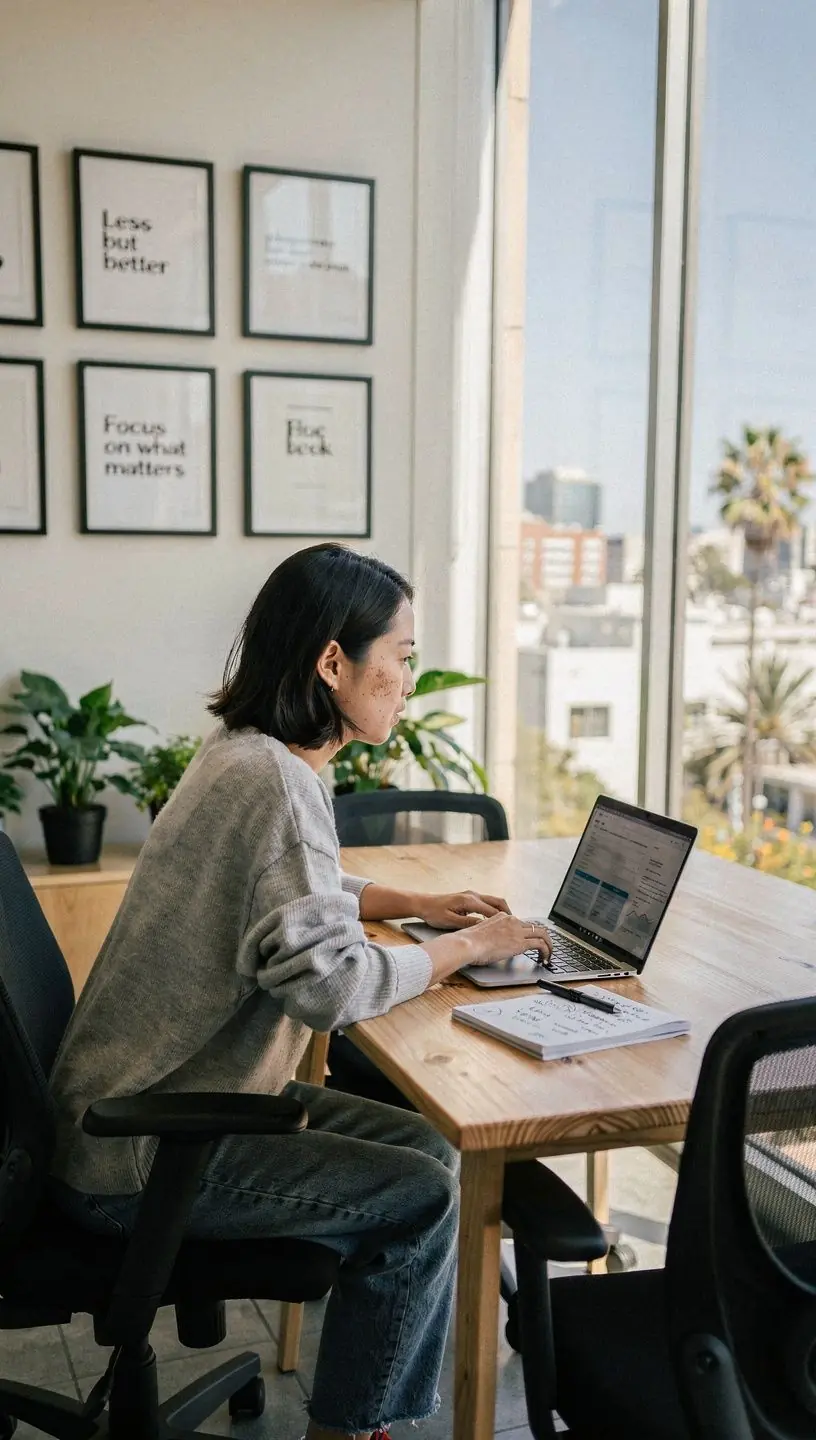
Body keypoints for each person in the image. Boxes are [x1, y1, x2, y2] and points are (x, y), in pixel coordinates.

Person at [48, 543, 552, 1440]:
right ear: (333, 661)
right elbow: (335, 986)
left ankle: (365, 1411)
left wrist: (408, 903)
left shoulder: (248, 754)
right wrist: (470, 944)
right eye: (400, 653)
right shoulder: (277, 781)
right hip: (146, 1151)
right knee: (427, 1199)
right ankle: (350, 1431)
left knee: (432, 1154)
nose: (408, 675)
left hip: (149, 1106)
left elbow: (284, 888)